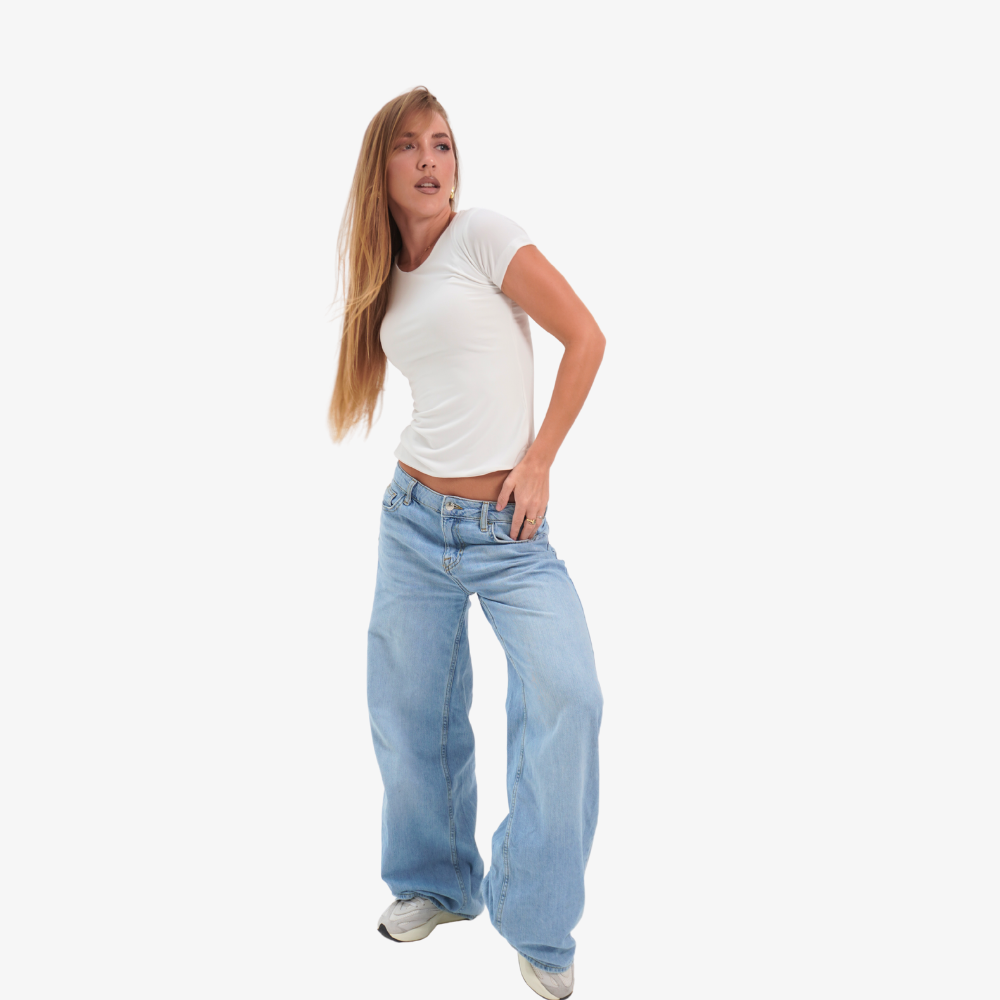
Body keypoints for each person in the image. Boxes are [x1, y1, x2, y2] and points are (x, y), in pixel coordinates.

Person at [328, 86, 605, 1000]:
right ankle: (435, 883)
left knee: (568, 695)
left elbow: (585, 337)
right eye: (409, 146)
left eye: (442, 143)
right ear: (383, 168)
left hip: (509, 529)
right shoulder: (387, 278)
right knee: (410, 711)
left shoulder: (484, 234)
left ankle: (538, 916)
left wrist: (541, 460)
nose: (429, 160)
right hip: (413, 522)